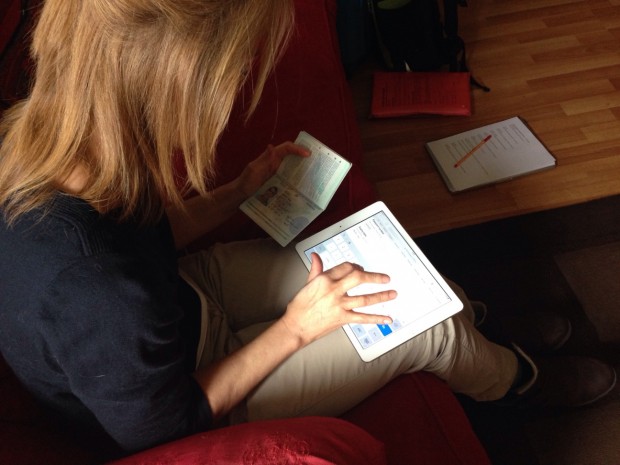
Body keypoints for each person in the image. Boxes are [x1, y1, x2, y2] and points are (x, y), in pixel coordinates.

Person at [0, 0, 616, 457]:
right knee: (421, 333)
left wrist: (235, 194)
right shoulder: (94, 292)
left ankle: (471, 319)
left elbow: (144, 234)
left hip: (173, 304)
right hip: (187, 386)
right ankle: (515, 382)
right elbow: (170, 424)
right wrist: (299, 327)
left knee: (384, 261)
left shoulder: (50, 142)